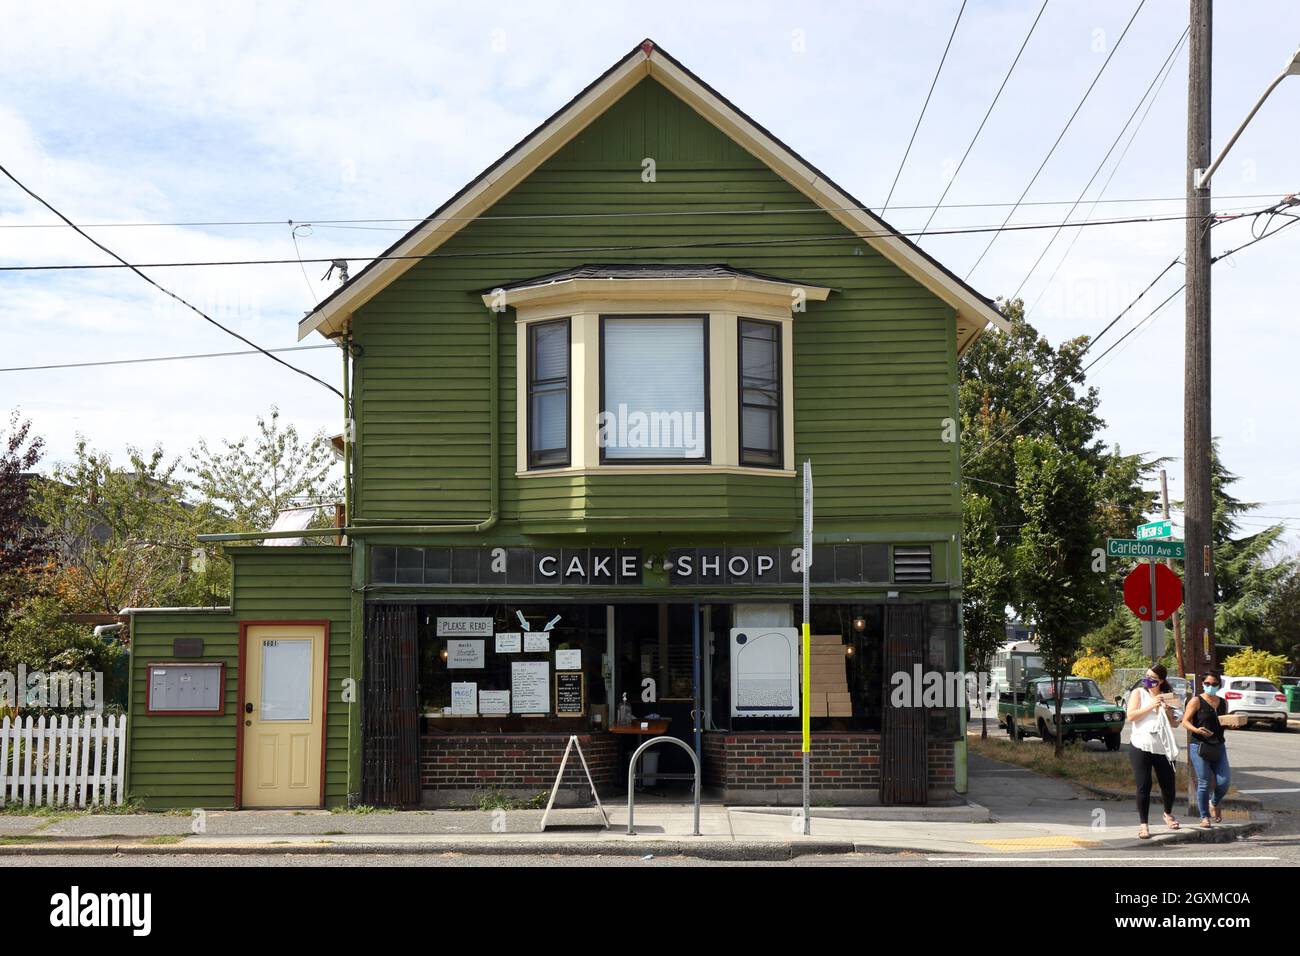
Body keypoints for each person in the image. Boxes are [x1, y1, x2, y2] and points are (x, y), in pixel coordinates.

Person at [1126, 663, 1180, 839]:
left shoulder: (1168, 697)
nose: (1148, 680)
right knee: (1144, 784)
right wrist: (1151, 705)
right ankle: (1144, 825)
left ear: (1161, 681)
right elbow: (1131, 716)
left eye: (1153, 679)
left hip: (1162, 747)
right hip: (1141, 744)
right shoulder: (1139, 693)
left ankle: (1167, 813)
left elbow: (1175, 723)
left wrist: (1167, 710)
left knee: (1169, 784)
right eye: (1147, 676)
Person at [1182, 672, 1230, 828]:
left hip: (1218, 746)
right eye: (1207, 683)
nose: (1210, 686)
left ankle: (1214, 803)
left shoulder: (1223, 703)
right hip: (1199, 746)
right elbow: (1185, 721)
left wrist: (1232, 724)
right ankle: (1204, 817)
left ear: (1219, 685)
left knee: (1224, 782)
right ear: (1202, 683)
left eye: (1214, 684)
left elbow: (1224, 722)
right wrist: (1196, 730)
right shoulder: (1196, 701)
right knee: (1204, 782)